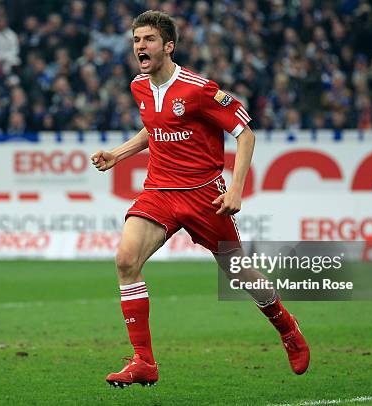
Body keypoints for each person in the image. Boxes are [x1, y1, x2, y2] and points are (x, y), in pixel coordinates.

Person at [91, 10, 309, 388]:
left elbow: (245, 135)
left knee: (238, 273)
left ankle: (287, 327)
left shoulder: (199, 89)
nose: (140, 47)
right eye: (136, 40)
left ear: (168, 46)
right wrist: (118, 154)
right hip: (159, 191)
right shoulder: (139, 86)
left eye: (149, 40)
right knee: (126, 260)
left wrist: (236, 189)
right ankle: (143, 361)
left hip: (204, 196)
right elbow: (154, 127)